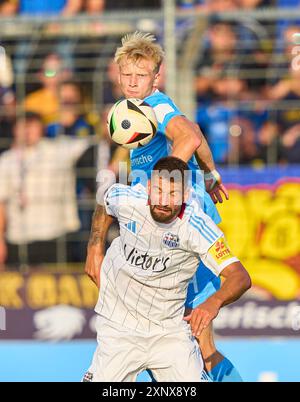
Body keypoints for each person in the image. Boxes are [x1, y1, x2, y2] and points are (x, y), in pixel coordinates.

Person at [85, 32, 245, 382]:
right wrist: (211, 173)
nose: (131, 82)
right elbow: (195, 130)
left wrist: (166, 181)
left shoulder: (155, 105)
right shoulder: (138, 110)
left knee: (191, 336)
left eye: (140, 76)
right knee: (177, 332)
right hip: (168, 213)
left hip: (180, 218)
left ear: (155, 77)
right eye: (126, 74)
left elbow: (188, 137)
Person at [83, 156, 251, 382]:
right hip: (119, 328)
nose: (163, 201)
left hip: (169, 332)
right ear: (149, 187)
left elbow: (240, 276)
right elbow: (105, 201)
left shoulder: (196, 226)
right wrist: (95, 246)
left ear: (185, 195)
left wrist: (214, 302)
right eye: (159, 191)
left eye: (173, 194)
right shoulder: (129, 198)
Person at [0, 112, 90, 268]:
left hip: (55, 236)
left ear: (41, 128)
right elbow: (1, 203)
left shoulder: (59, 149)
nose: (27, 131)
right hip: (18, 239)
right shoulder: (6, 160)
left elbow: (94, 140)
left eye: (32, 125)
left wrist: (71, 121)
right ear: (14, 130)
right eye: (22, 126)